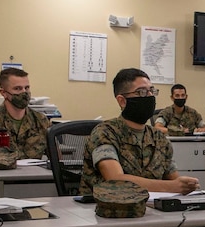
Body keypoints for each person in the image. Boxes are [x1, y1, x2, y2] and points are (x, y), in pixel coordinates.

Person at [80, 68, 198, 196]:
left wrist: (186, 185)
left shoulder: (159, 139)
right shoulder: (105, 133)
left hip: (150, 206)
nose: (149, 96)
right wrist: (171, 187)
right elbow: (115, 179)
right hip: (104, 206)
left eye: (151, 91)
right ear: (122, 101)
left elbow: (175, 181)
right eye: (142, 92)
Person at [0, 68, 49, 161]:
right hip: (1, 170)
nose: (24, 93)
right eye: (17, 88)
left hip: (35, 170)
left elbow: (55, 156)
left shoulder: (41, 120)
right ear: (3, 93)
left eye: (27, 88)